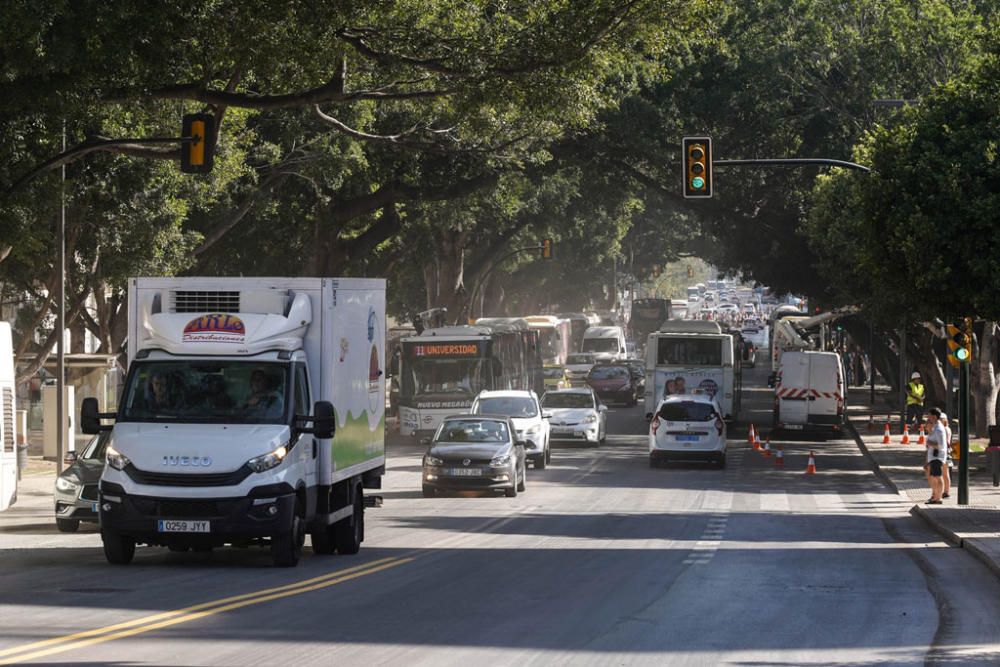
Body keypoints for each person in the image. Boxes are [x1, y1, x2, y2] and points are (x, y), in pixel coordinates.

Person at [923, 408, 946, 504]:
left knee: (937, 476)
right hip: (933, 457)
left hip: (937, 456)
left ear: (935, 416)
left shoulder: (939, 429)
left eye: (930, 416)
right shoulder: (935, 427)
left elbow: (941, 445)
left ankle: (939, 498)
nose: (928, 418)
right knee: (933, 477)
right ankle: (935, 497)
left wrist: (929, 443)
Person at [940, 412, 953, 499]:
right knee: (945, 473)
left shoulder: (943, 429)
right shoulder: (948, 429)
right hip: (947, 452)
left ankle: (944, 491)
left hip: (943, 452)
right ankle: (946, 491)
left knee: (942, 473)